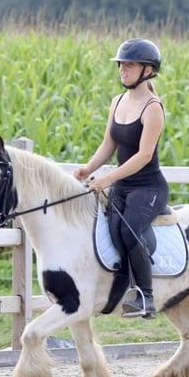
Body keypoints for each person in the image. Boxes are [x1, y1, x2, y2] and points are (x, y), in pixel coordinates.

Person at [73, 38, 169, 319]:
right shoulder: (118, 102)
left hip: (148, 186)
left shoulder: (153, 108)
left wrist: (107, 179)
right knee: (113, 231)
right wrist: (88, 169)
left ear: (148, 70)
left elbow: (142, 155)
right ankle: (120, 289)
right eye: (121, 64)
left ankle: (146, 298)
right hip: (124, 185)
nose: (122, 69)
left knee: (130, 231)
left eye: (129, 65)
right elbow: (109, 145)